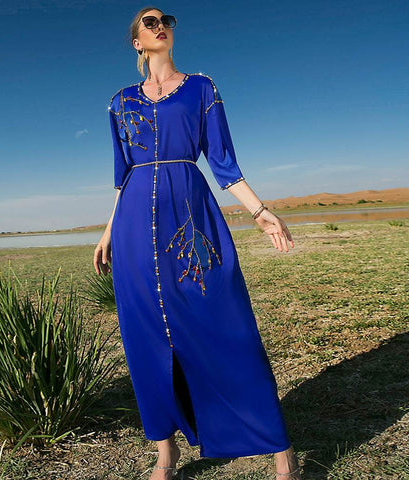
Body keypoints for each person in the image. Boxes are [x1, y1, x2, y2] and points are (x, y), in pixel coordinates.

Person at [94, 7, 301, 480]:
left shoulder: (201, 88)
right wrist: (107, 232)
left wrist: (259, 211)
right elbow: (123, 175)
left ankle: (279, 449)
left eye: (165, 20)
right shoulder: (120, 101)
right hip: (132, 227)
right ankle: (165, 454)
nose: (160, 25)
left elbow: (223, 160)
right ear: (137, 42)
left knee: (227, 324)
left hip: (190, 214)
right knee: (146, 337)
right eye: (149, 22)